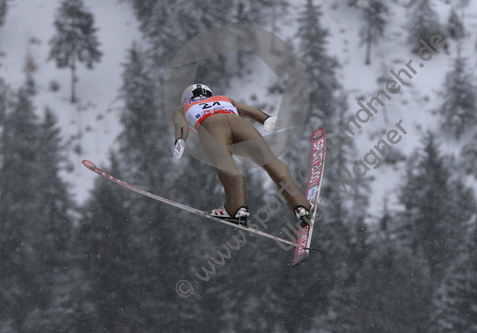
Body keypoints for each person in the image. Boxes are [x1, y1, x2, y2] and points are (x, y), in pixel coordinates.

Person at [172, 84, 312, 227]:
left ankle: (236, 208)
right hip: (239, 124)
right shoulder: (224, 99)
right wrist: (265, 118)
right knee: (269, 160)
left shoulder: (184, 107)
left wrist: (180, 139)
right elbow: (247, 110)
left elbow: (180, 124)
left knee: (225, 163)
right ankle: (301, 205)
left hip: (210, 125)